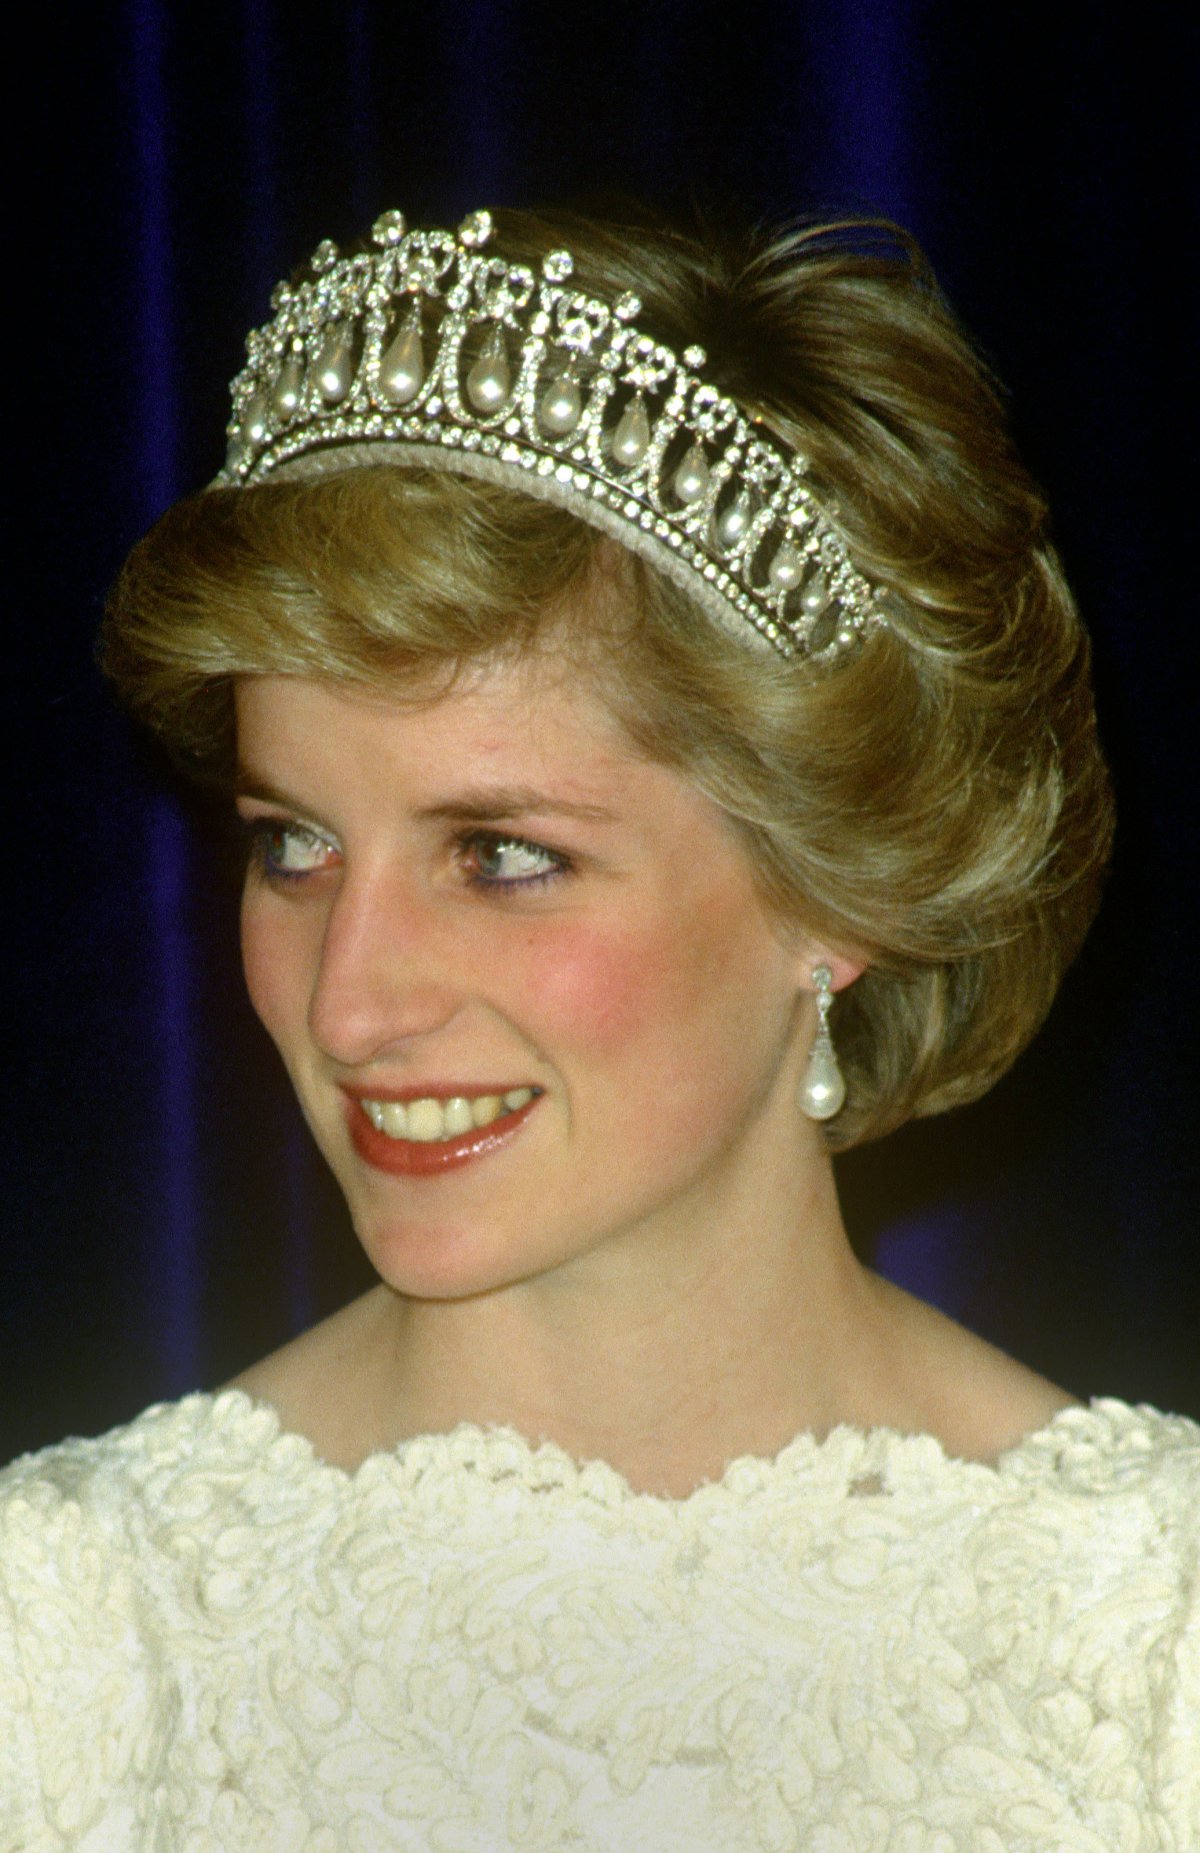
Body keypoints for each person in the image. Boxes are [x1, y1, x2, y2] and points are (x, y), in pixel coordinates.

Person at [2, 201, 1196, 1850]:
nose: (349, 999)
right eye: (295, 844)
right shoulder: (68, 1643)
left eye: (501, 857)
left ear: (836, 883)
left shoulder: (1154, 1641)